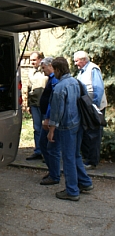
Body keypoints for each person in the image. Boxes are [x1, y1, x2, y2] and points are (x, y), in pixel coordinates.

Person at [48, 57, 93, 201]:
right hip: (78, 124)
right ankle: (85, 183)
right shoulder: (76, 82)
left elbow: (57, 113)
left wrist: (51, 130)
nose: (53, 73)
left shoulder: (59, 88)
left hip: (67, 126)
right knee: (75, 155)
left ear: (58, 70)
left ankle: (72, 191)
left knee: (68, 158)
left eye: (54, 69)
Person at [74, 50, 107, 169]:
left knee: (94, 134)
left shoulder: (93, 69)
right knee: (87, 133)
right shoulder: (82, 71)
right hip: (87, 107)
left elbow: (98, 88)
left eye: (77, 61)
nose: (75, 64)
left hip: (94, 107)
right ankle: (87, 158)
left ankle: (92, 161)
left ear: (83, 60)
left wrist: (94, 107)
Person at [38, 57, 61, 185]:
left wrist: (48, 119)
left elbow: (54, 102)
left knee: (50, 146)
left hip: (51, 119)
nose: (43, 70)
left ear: (50, 66)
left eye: (44, 68)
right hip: (49, 118)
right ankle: (53, 171)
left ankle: (54, 174)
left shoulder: (55, 80)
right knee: (45, 144)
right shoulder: (52, 79)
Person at [26, 51, 48, 161]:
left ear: (40, 59)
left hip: (45, 105)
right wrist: (28, 104)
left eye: (34, 60)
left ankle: (47, 152)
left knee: (46, 128)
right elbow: (28, 88)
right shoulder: (31, 72)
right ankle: (38, 151)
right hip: (34, 104)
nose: (32, 62)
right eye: (31, 60)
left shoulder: (46, 70)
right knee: (37, 128)